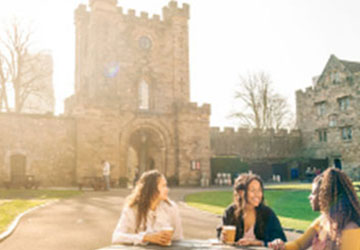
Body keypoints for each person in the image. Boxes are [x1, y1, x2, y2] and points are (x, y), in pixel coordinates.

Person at [269, 167, 360, 250]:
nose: (310, 197)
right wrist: (281, 246)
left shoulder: (351, 228)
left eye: (313, 193)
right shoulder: (322, 221)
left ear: (324, 196)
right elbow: (299, 245)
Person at [112, 170, 183, 246]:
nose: (167, 189)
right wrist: (145, 237)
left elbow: (178, 238)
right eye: (163, 186)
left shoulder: (171, 208)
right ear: (152, 189)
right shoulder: (132, 209)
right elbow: (116, 237)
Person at [217, 173, 287, 247]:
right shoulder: (230, 212)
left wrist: (257, 242)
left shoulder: (267, 213)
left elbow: (281, 241)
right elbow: (220, 233)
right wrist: (222, 237)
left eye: (259, 190)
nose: (257, 194)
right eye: (253, 190)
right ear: (241, 193)